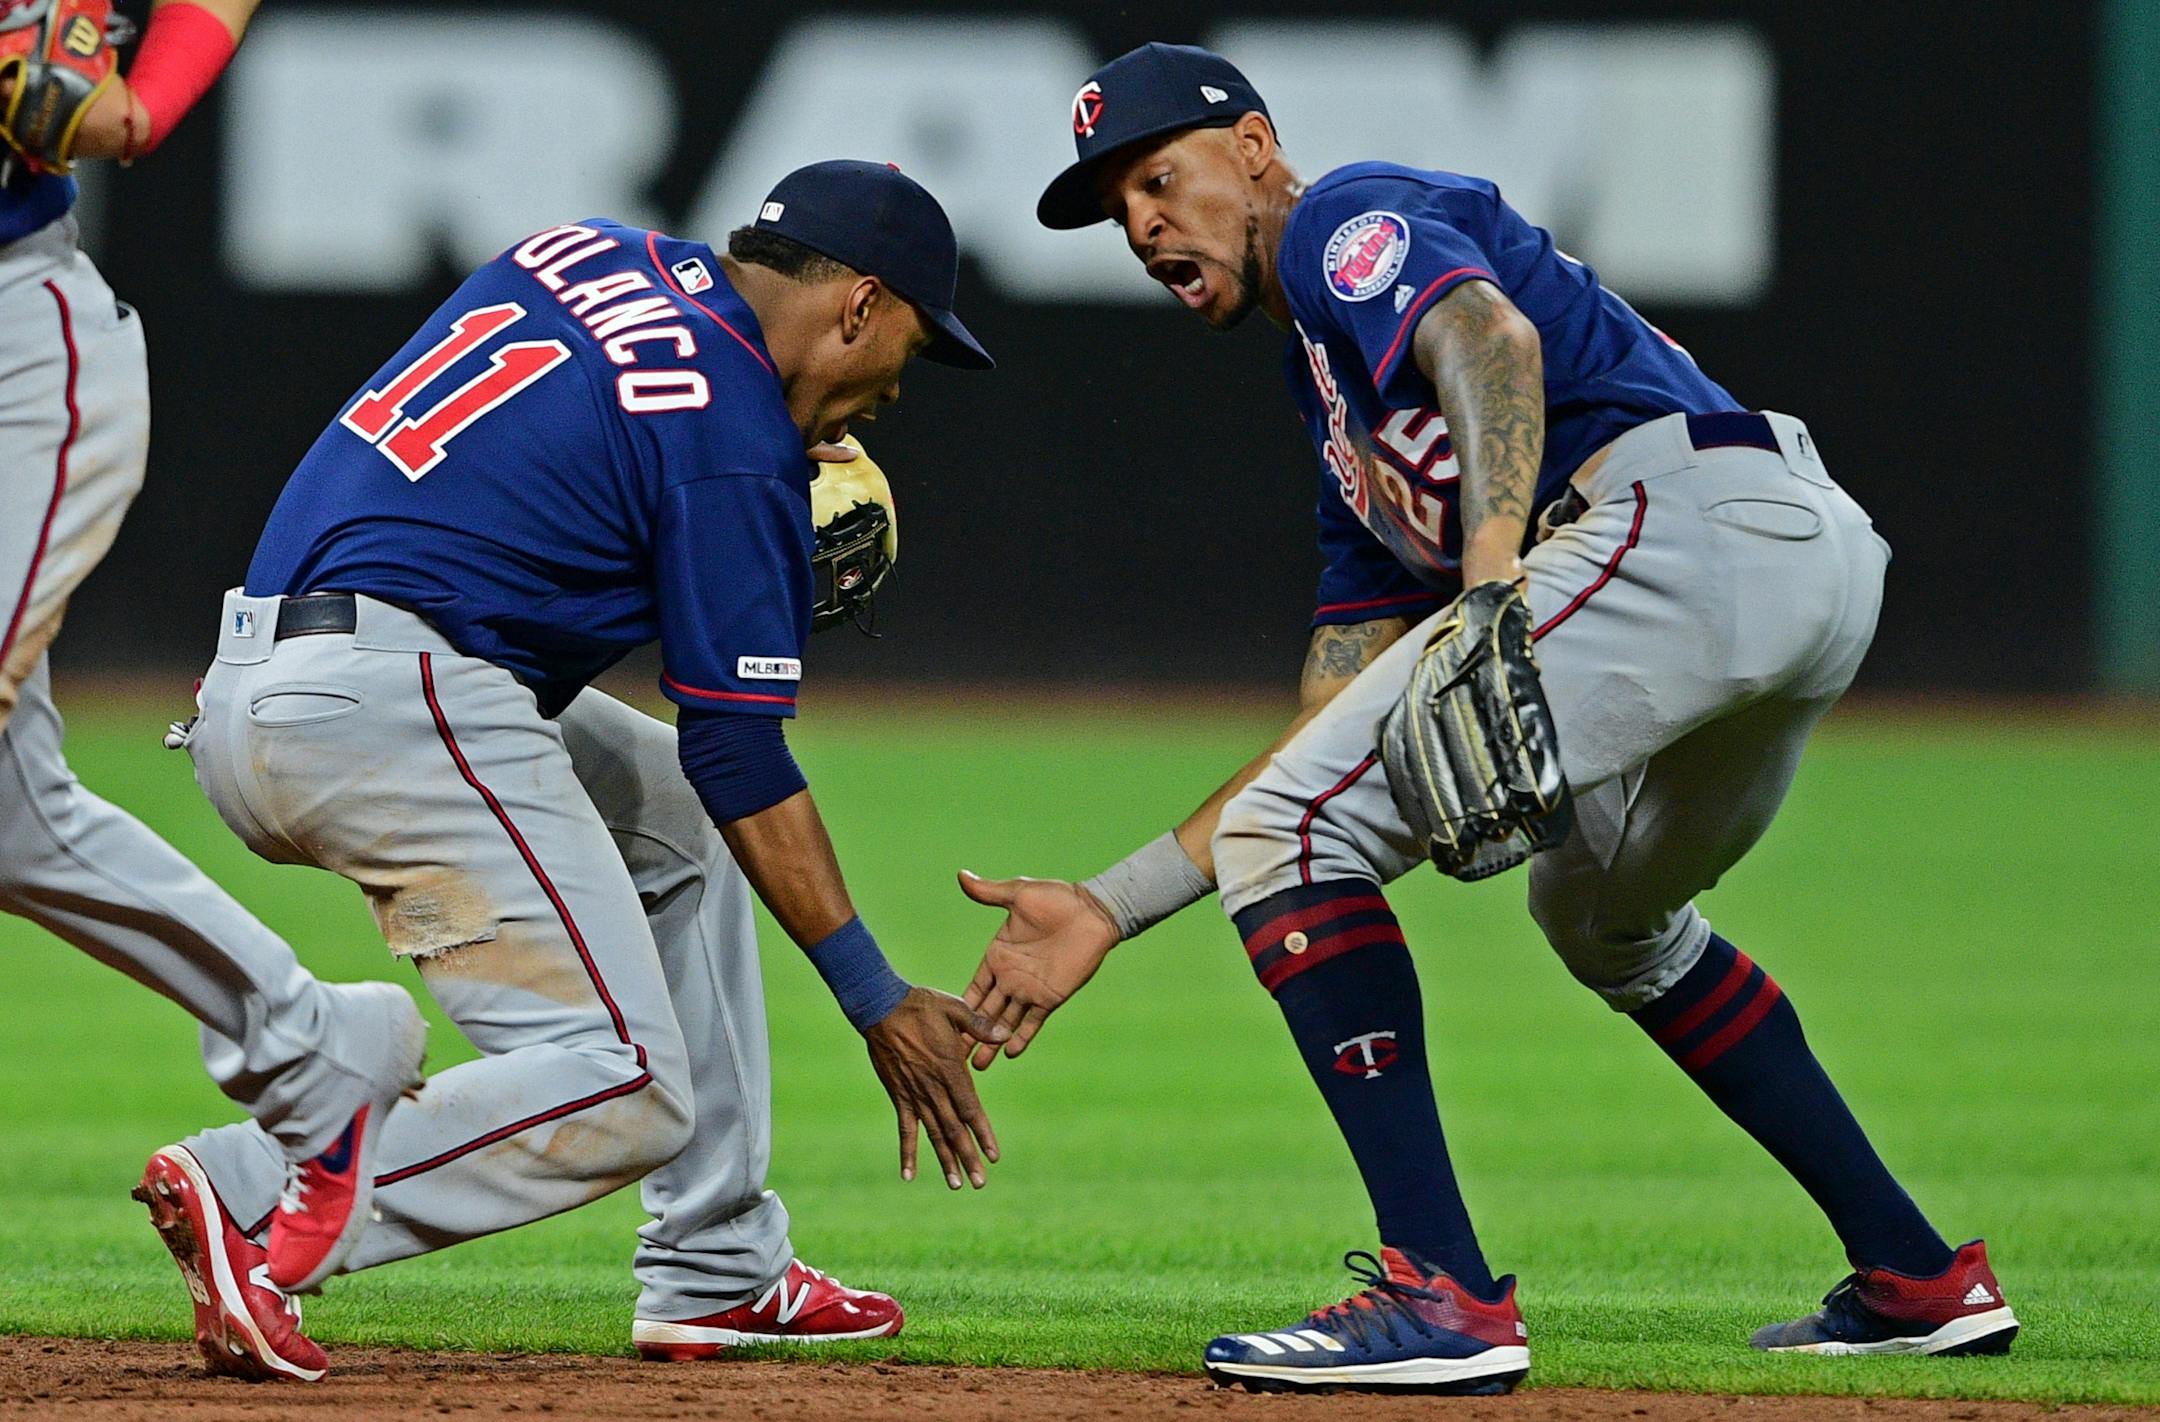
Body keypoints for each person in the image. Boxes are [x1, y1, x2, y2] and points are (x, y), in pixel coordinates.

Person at [959, 43, 2016, 1394]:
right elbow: (1327, 731)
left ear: (1258, 148)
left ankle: (1441, 1294)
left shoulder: (1345, 218)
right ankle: (1917, 1274)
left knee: (1302, 833)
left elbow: (1490, 340)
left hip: (1677, 528)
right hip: (1774, 564)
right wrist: (1112, 901)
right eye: (1120, 211)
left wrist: (1491, 581)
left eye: (1160, 177)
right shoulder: (1336, 408)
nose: (1145, 221)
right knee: (1598, 921)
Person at [144, 159, 1006, 1380]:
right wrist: (875, 994)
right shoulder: (733, 433)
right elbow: (738, 743)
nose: (890, 393)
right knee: (632, 1088)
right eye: (908, 349)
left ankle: (718, 1266)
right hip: (393, 707)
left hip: (266, 693)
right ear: (858, 305)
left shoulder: (593, 253)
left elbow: (549, 495)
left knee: (671, 820)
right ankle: (260, 1200)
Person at [1, 0, 428, 1372]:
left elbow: (113, 108)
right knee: (15, 821)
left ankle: (315, 1063)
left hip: (19, 354)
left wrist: (123, 86)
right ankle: (316, 1051)